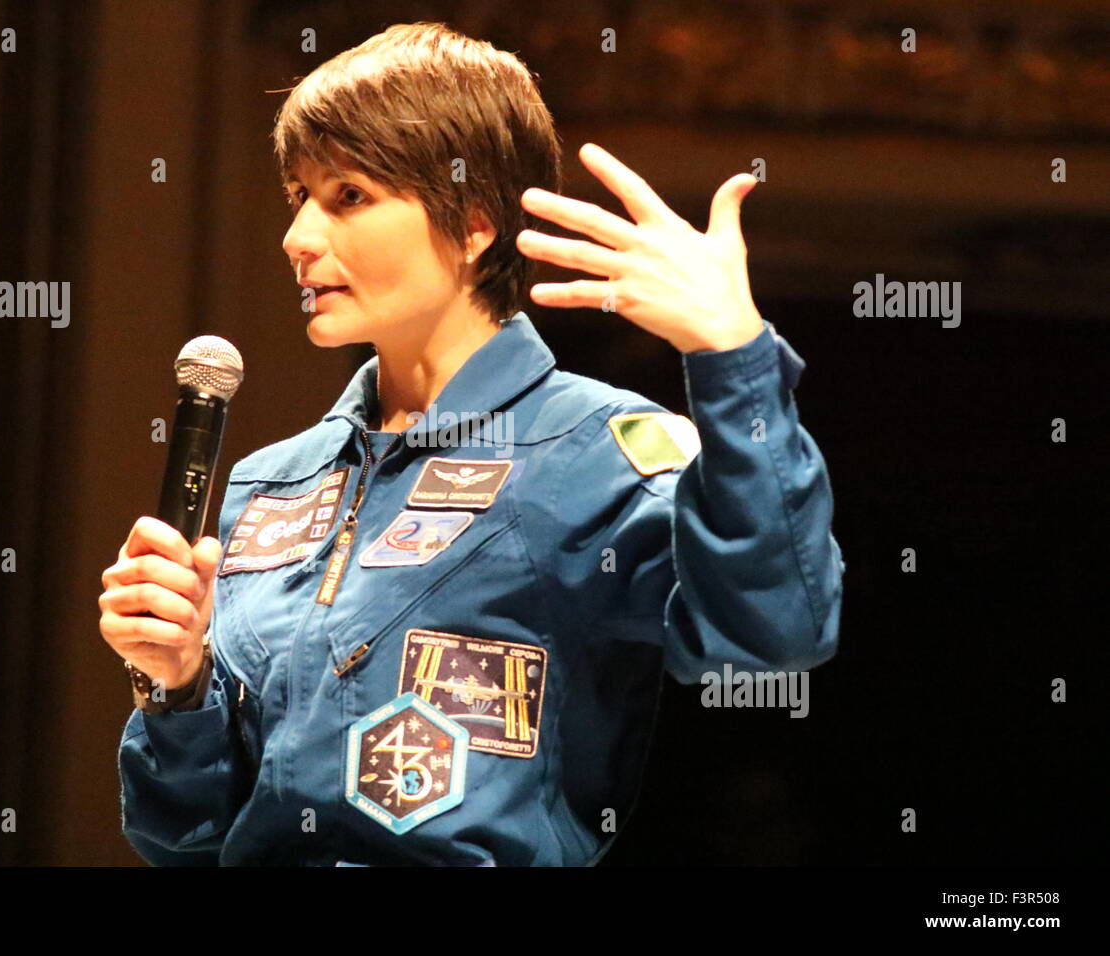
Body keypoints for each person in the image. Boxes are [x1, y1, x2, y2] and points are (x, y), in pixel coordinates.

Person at [98, 22, 843, 866]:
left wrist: (734, 356)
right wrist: (178, 681)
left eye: (348, 196)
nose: (298, 238)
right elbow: (184, 837)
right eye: (297, 195)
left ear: (472, 225)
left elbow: (777, 631)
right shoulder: (272, 485)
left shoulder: (591, 451)